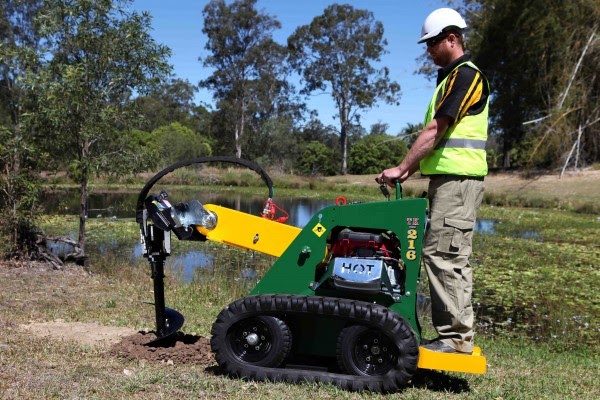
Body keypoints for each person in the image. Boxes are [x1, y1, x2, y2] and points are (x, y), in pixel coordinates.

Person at [376, 8, 490, 354]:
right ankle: (454, 335)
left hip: (458, 182)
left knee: (444, 255)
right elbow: (438, 139)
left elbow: (436, 130)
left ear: (452, 39)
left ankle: (455, 339)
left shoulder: (466, 76)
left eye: (432, 43)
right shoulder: (451, 78)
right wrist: (411, 169)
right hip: (449, 180)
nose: (428, 50)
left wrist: (401, 167)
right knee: (447, 255)